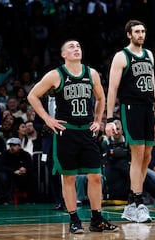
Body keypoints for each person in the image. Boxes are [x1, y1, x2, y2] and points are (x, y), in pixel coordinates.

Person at [27, 39, 118, 233]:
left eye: (78, 46)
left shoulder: (91, 73)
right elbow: (32, 95)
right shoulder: (55, 75)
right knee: (68, 178)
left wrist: (98, 120)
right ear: (63, 55)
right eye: (71, 47)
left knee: (95, 176)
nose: (76, 48)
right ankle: (74, 219)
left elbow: (101, 98)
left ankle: (97, 218)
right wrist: (47, 119)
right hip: (66, 132)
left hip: (87, 131)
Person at [105, 20, 155, 223]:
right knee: (137, 153)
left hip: (148, 109)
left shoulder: (149, 55)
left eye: (143, 31)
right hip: (130, 108)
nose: (141, 34)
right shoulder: (121, 56)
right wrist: (110, 117)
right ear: (129, 34)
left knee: (147, 155)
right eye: (137, 31)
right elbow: (112, 89)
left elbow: (153, 86)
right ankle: (138, 202)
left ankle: (131, 202)